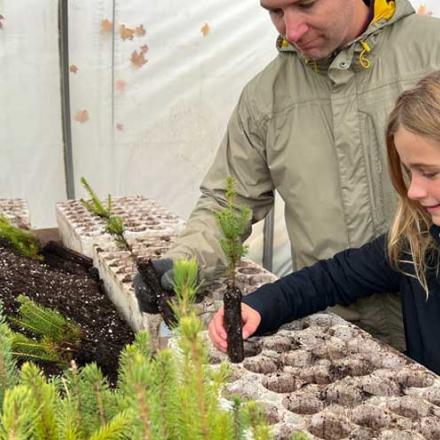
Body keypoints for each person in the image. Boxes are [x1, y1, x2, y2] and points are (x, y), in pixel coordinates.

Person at [136, 0, 440, 350]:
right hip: (336, 335)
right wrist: (183, 263)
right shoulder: (266, 96)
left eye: (306, 4)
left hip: (425, 328)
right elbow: (228, 201)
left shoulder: (431, 52)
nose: (291, 30)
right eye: (275, 12)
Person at [209, 70, 440, 375]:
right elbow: (333, 278)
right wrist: (260, 305)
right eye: (410, 173)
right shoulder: (417, 244)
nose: (413, 191)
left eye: (431, 173)